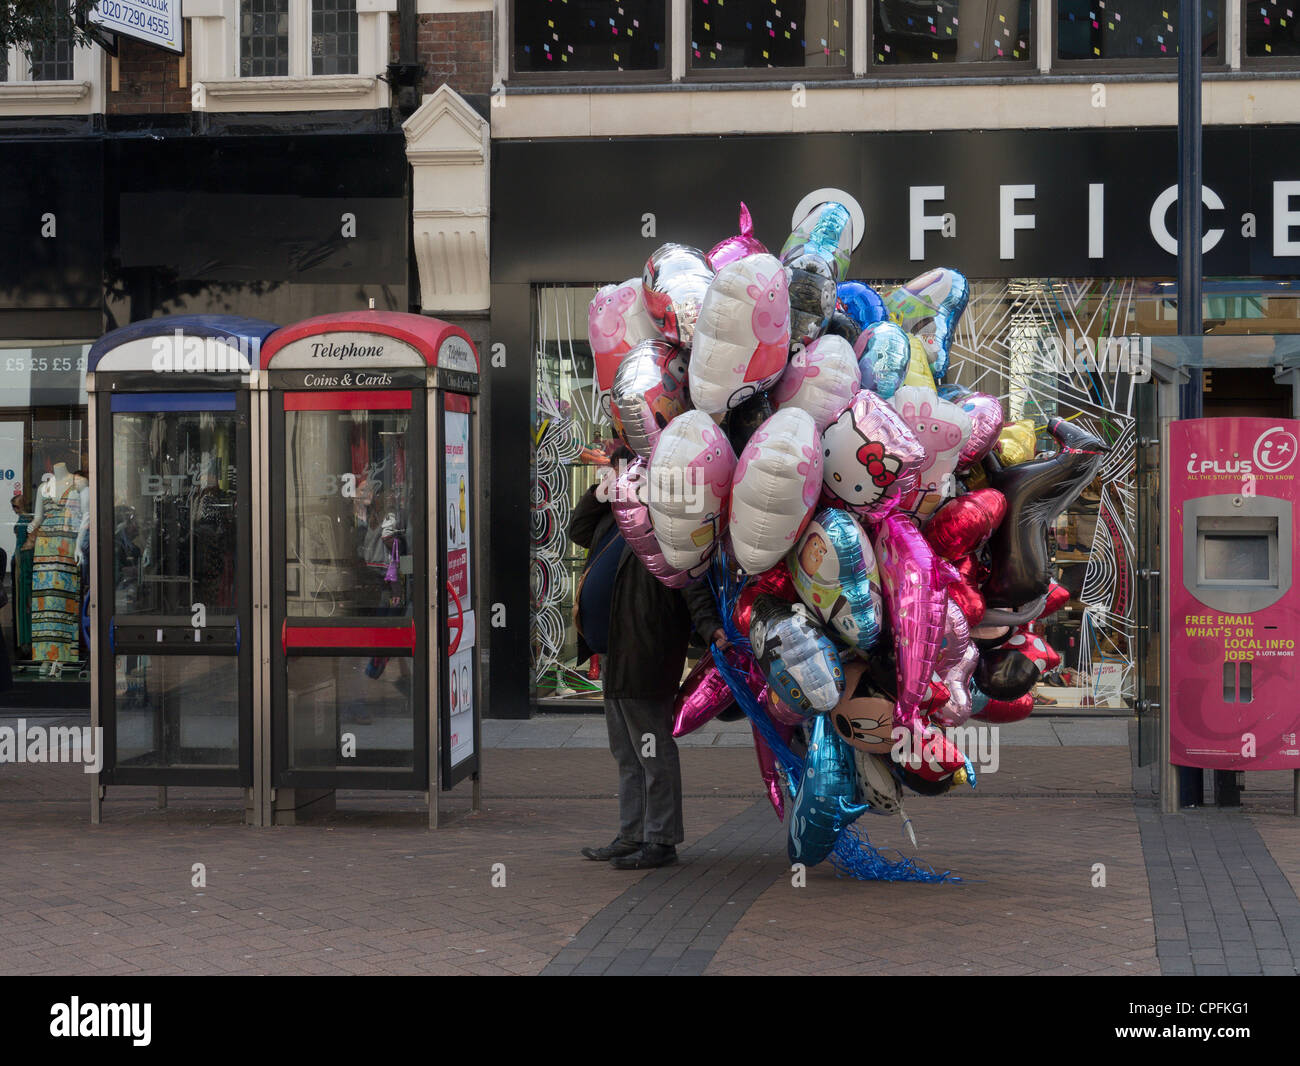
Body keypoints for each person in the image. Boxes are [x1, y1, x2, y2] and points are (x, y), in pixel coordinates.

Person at [569, 448, 725, 870]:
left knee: (652, 750)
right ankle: (631, 833)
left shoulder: (666, 527)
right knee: (626, 752)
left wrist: (711, 628)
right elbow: (577, 528)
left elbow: (692, 583)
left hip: (645, 651)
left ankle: (660, 839)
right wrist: (601, 485)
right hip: (613, 654)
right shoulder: (612, 518)